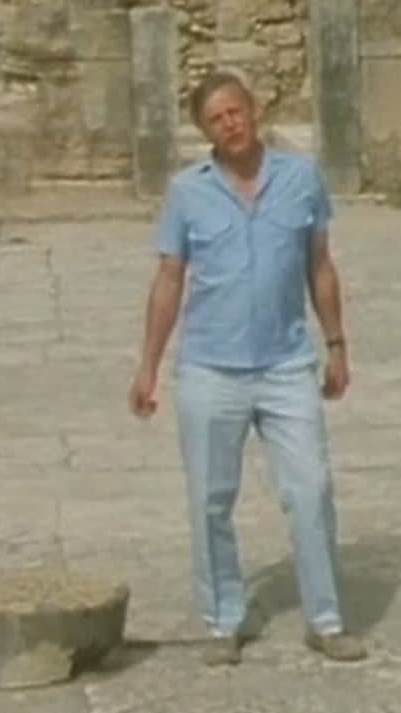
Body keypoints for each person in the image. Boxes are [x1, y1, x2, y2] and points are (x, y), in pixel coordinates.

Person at [128, 71, 367, 667]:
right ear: (203, 131)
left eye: (235, 111)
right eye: (216, 119)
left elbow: (320, 266)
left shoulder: (300, 178)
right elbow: (168, 281)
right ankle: (223, 621)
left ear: (253, 111)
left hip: (286, 364)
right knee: (211, 499)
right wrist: (148, 366)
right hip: (211, 369)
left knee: (310, 490)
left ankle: (326, 620)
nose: (230, 124)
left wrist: (336, 344)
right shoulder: (187, 192)